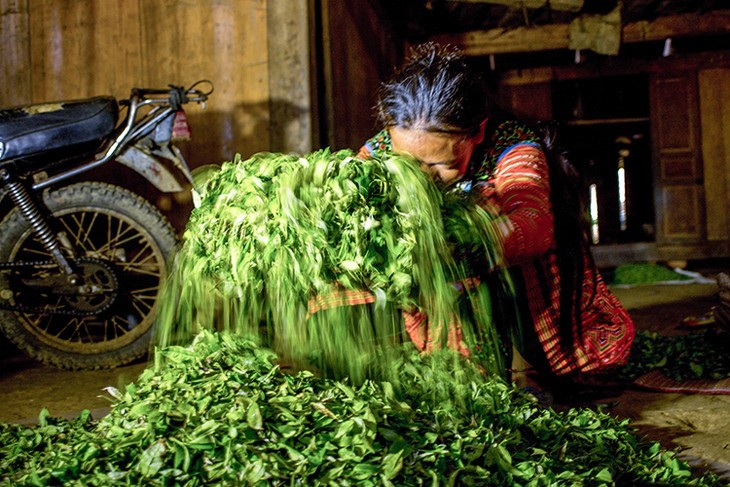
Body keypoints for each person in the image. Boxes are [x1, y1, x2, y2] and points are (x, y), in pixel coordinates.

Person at [355, 42, 635, 391]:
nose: (423, 178)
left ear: (478, 134)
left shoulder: (513, 148)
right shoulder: (377, 152)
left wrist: (464, 245)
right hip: (430, 281)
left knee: (557, 373)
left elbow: (531, 224)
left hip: (510, 270)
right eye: (409, 164)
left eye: (442, 165)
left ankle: (531, 362)